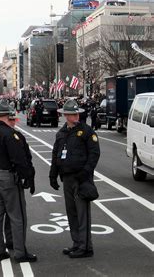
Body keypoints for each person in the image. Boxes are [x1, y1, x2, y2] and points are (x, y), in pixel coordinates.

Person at [0, 100, 37, 263]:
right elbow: (19, 160)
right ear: (7, 115)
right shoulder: (11, 135)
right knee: (17, 215)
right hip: (7, 178)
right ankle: (20, 252)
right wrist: (28, 178)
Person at [49, 99, 100, 258]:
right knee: (71, 213)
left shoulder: (86, 131)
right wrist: (53, 174)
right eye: (72, 114)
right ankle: (77, 243)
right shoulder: (61, 133)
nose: (76, 116)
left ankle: (85, 247)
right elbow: (56, 154)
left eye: (77, 113)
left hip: (81, 178)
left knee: (82, 213)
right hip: (67, 178)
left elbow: (94, 154)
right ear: (65, 115)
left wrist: (85, 172)